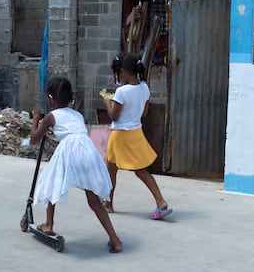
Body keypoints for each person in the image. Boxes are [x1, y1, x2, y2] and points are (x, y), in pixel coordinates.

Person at [30, 76, 123, 253]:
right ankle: (115, 240)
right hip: (87, 150)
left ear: (50, 99)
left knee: (53, 183)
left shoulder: (51, 117)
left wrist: (36, 119)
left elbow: (34, 139)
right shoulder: (77, 115)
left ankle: (49, 224)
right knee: (93, 200)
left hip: (69, 150)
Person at [101, 52, 173, 220]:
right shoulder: (145, 88)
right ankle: (158, 200)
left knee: (112, 169)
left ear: (124, 72)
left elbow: (114, 116)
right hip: (135, 133)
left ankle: (110, 202)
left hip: (120, 135)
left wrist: (107, 102)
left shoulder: (121, 92)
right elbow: (144, 112)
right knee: (139, 170)